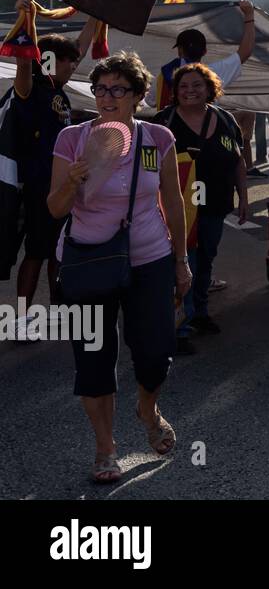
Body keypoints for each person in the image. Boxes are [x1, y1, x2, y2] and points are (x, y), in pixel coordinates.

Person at [48, 52, 190, 484]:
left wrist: (182, 262)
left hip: (150, 258)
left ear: (137, 96)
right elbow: (54, 209)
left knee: (153, 354)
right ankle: (106, 449)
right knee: (93, 359)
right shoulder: (72, 138)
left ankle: (147, 408)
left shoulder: (158, 138)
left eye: (117, 89)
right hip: (88, 260)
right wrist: (73, 181)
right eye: (100, 88)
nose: (106, 97)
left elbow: (174, 201)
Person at [9, 0, 102, 340]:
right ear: (49, 61)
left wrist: (96, 11)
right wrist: (26, 19)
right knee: (37, 252)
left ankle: (61, 311)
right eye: (68, 62)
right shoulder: (30, 89)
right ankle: (18, 320)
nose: (74, 66)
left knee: (59, 251)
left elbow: (79, 43)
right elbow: (24, 63)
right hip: (39, 187)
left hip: (63, 185)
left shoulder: (58, 90)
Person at [155, 63, 248, 354]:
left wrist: (243, 197)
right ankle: (177, 328)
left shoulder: (226, 119)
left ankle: (200, 313)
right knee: (183, 263)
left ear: (209, 88)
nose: (190, 91)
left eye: (196, 85)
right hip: (177, 208)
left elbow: (238, 162)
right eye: (183, 86)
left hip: (215, 204)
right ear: (175, 91)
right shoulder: (163, 122)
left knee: (206, 260)